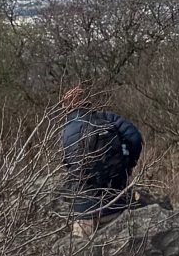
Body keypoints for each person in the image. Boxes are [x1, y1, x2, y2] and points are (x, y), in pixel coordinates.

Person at [59, 98, 145, 230]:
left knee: (81, 249)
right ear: (88, 103)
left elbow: (67, 163)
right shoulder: (108, 118)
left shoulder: (66, 131)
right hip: (115, 204)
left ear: (66, 109)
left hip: (84, 210)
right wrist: (127, 166)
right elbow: (135, 138)